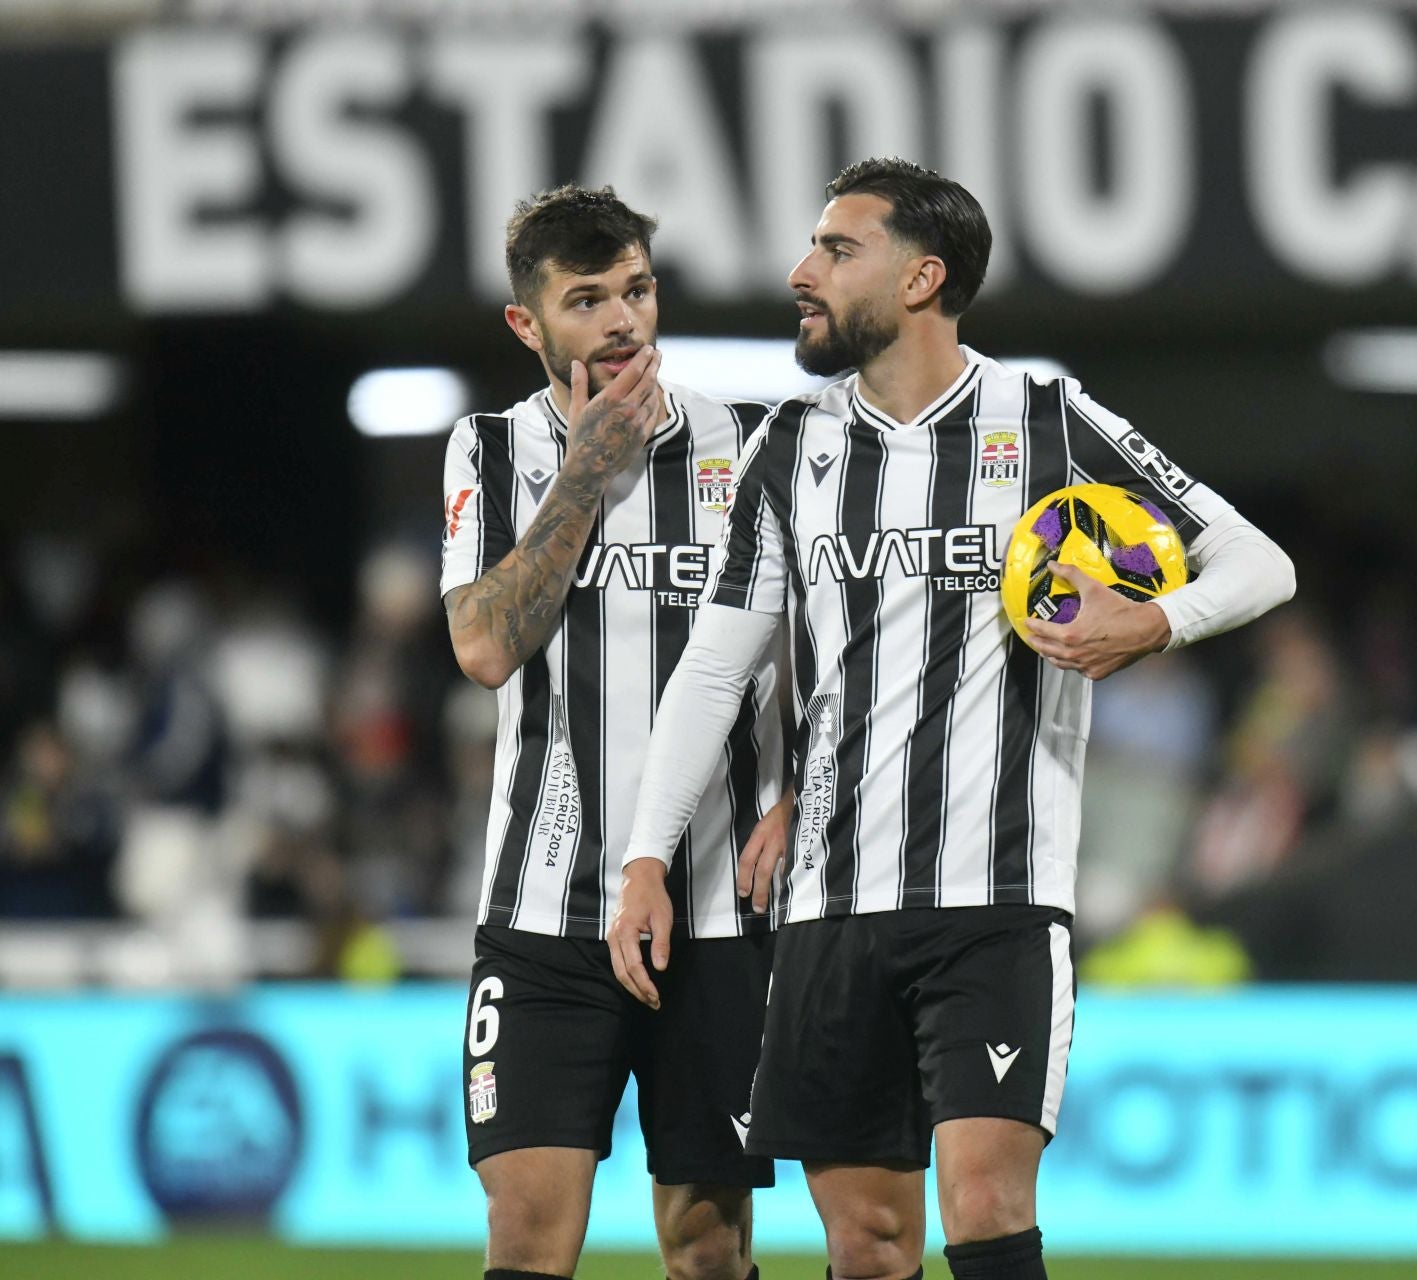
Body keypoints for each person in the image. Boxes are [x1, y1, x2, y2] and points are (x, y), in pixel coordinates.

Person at [609, 157, 1296, 1280]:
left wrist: (1155, 621)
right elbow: (715, 668)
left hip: (999, 898)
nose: (802, 271)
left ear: (923, 277)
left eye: (837, 250)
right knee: (870, 1244)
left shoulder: (1044, 420)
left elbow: (1258, 559)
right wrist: (648, 852)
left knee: (983, 1204)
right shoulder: (790, 448)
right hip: (831, 903)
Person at [440, 185, 790, 1280]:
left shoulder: (752, 444)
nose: (621, 322)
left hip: (718, 913)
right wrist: (588, 468)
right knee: (529, 1234)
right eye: (585, 300)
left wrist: (793, 797)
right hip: (544, 912)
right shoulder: (489, 452)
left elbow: (808, 655)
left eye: (635, 290)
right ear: (527, 324)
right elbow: (486, 645)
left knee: (707, 1239)